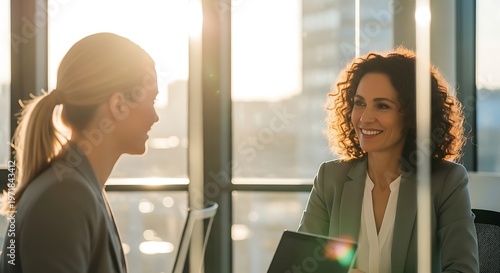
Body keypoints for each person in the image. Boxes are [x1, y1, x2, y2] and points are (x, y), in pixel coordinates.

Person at [298, 47, 479, 273]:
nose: (365, 118)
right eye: (359, 103)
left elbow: (463, 270)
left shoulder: (446, 181)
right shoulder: (331, 178)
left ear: (412, 116)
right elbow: (301, 265)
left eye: (382, 106)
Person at [0, 32, 159, 273]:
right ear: (118, 106)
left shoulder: (77, 186)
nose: (155, 117)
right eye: (152, 101)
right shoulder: (65, 197)